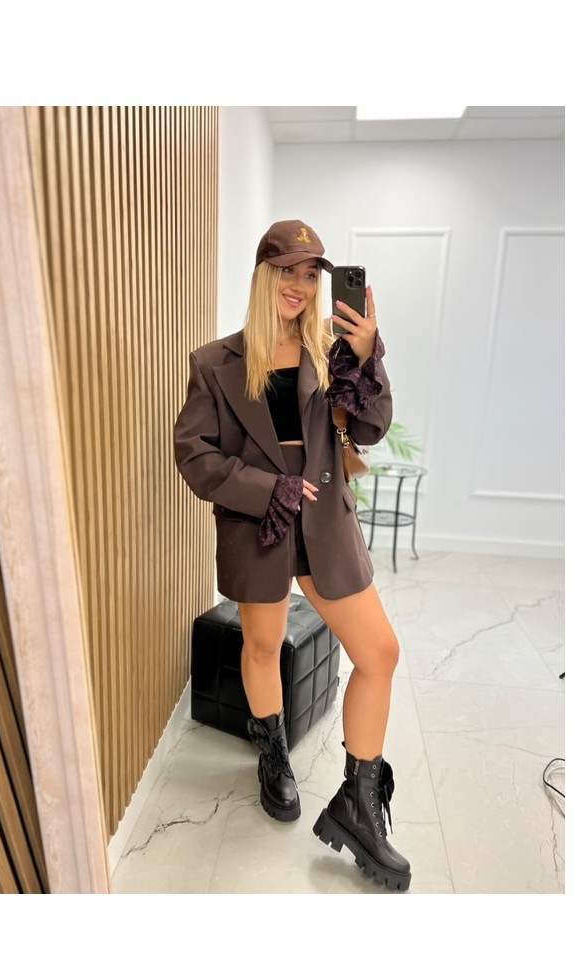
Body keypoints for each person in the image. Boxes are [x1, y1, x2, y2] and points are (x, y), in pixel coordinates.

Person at [173, 220, 411, 892]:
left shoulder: (330, 354)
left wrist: (367, 357)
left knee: (379, 653)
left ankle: (358, 802)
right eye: (288, 270)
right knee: (261, 645)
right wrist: (265, 488)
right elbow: (194, 455)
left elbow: (370, 428)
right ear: (263, 275)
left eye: (311, 274)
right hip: (260, 525)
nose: (300, 285)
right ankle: (272, 751)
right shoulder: (213, 363)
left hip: (326, 523)